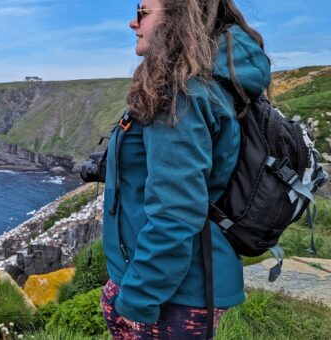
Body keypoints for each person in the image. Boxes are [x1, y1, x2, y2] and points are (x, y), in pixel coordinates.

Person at [100, 0, 271, 338]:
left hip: (174, 292)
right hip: (185, 276)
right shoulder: (212, 84)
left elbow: (175, 212)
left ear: (177, 18)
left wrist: (138, 299)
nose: (133, 24)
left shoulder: (181, 98)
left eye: (143, 13)